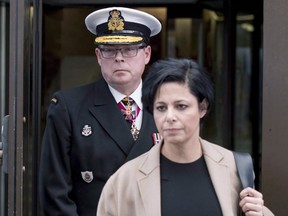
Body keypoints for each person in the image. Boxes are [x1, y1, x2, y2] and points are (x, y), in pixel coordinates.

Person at [97, 58, 274, 216]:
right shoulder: (124, 181)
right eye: (161, 108)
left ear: (202, 108)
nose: (170, 116)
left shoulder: (233, 168)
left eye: (181, 106)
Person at [39, 7, 161, 215]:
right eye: (109, 49)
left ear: (147, 54)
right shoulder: (68, 107)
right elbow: (55, 192)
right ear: (98, 55)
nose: (119, 58)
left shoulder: (166, 105)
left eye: (129, 49)